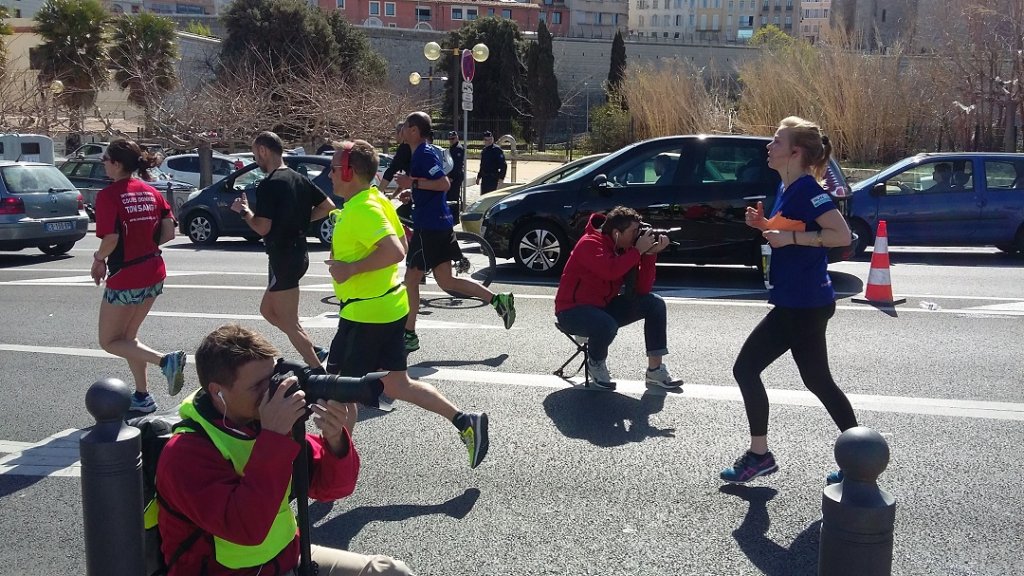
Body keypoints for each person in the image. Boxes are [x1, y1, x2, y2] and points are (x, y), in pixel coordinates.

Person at [155, 324, 415, 576]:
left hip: (286, 557)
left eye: (272, 379)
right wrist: (274, 438)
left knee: (392, 572)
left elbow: (333, 489)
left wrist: (335, 440)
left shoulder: (262, 421)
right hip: (226, 572)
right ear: (217, 391)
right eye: (257, 386)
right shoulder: (185, 454)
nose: (271, 391)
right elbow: (247, 529)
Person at [324, 139, 490, 469]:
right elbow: (401, 238)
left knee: (337, 392)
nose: (328, 174)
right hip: (385, 308)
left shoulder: (364, 208)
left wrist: (350, 268)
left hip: (366, 315)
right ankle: (465, 421)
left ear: (348, 171)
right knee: (397, 384)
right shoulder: (375, 200)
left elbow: (396, 251)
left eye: (332, 167)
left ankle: (335, 466)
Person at [720, 116, 858, 485]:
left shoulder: (807, 190)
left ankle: (759, 456)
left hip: (801, 304)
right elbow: (793, 229)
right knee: (818, 381)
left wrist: (792, 241)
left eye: (776, 141)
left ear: (795, 152)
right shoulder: (786, 187)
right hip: (804, 301)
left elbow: (840, 234)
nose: (769, 146)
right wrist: (765, 227)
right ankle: (858, 460)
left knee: (745, 369)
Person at [396, 112, 516, 353]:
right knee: (446, 281)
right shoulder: (423, 152)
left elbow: (443, 184)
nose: (400, 131)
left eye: (405, 126)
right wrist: (415, 193)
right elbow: (434, 187)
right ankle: (497, 300)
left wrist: (413, 184)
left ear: (414, 131)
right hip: (437, 224)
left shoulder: (423, 153)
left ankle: (409, 334)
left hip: (429, 227)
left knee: (411, 280)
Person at [90, 138, 187, 413]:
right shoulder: (151, 192)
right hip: (154, 270)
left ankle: (164, 361)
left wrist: (98, 260)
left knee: (109, 341)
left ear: (117, 164)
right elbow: (169, 233)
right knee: (129, 338)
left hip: (127, 276)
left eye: (105, 160)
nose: (103, 165)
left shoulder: (109, 196)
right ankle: (143, 396)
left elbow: (110, 238)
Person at [231, 131, 335, 369]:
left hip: (284, 256)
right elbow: (327, 206)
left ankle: (318, 370)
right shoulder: (299, 178)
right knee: (267, 310)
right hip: (297, 253)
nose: (256, 160)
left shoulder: (270, 184)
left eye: (256, 154)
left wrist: (244, 211)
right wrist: (301, 220)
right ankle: (314, 349)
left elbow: (262, 227)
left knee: (289, 322)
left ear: (264, 151)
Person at [553, 206, 681, 391]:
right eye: (633, 232)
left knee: (655, 304)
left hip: (602, 308)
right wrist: (636, 252)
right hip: (572, 312)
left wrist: (649, 255)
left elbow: (642, 289)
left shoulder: (623, 249)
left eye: (639, 231)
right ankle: (596, 363)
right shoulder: (589, 243)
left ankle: (655, 370)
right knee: (606, 324)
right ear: (616, 233)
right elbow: (609, 271)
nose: (637, 236)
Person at [378, 122, 411, 194]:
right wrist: (392, 196)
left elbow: (391, 171)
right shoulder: (408, 147)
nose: (394, 136)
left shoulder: (404, 148)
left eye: (395, 133)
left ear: (401, 133)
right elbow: (406, 179)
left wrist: (379, 192)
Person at [446, 130, 465, 208]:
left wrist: (452, 177)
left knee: (453, 199)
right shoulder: (453, 148)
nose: (451, 140)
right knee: (449, 198)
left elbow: (457, 165)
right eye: (450, 139)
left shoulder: (458, 149)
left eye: (453, 138)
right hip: (451, 176)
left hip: (455, 177)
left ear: (457, 138)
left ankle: (455, 218)